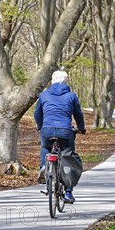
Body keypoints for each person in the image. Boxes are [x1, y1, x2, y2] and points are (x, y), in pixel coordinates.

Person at [34, 70, 86, 204]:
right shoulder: (71, 95)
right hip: (65, 130)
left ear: (52, 80)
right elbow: (78, 115)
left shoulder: (44, 94)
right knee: (68, 156)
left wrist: (40, 126)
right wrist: (81, 128)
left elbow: (37, 113)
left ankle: (43, 167)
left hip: (47, 129)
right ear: (65, 81)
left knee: (45, 146)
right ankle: (68, 192)